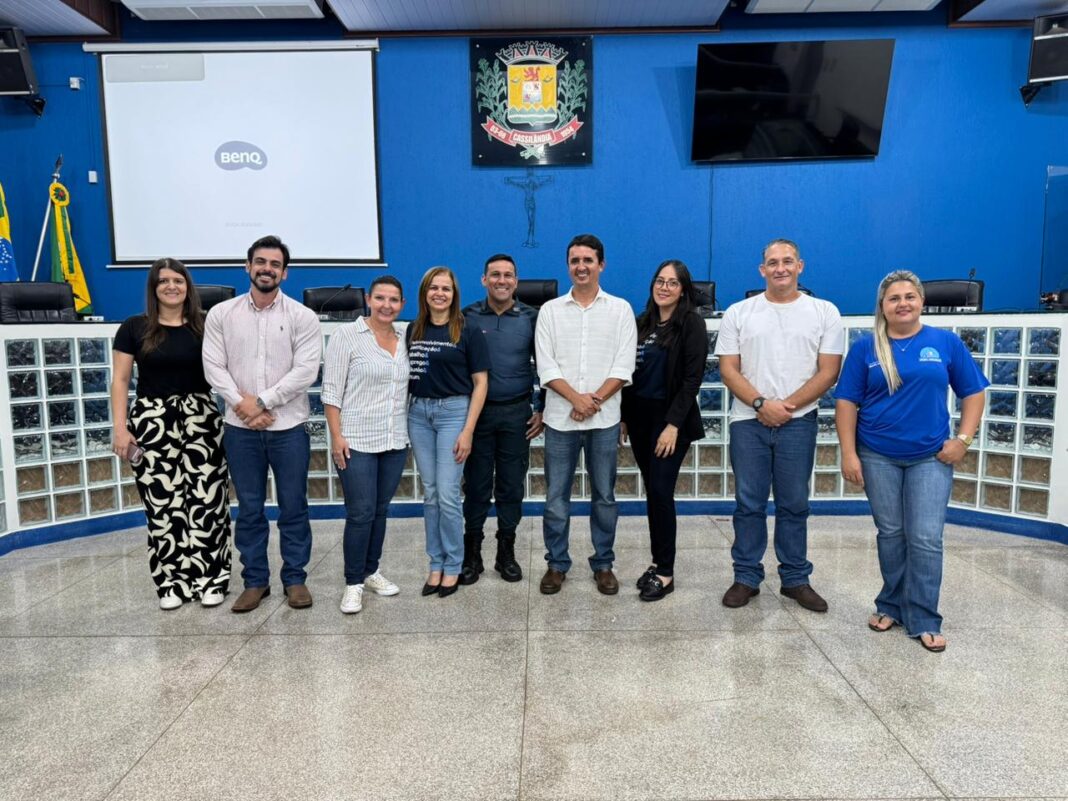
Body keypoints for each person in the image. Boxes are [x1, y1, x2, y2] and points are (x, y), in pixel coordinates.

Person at [835, 270, 988, 653]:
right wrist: (849, 452)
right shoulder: (865, 348)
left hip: (930, 457)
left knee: (925, 537)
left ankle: (923, 616)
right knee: (891, 533)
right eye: (894, 298)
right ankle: (890, 604)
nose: (902, 303)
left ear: (921, 301)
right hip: (877, 455)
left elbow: (973, 392)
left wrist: (963, 440)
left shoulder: (945, 343)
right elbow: (846, 403)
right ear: (882, 306)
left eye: (909, 297)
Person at [715, 238, 844, 612]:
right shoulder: (739, 312)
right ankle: (746, 577)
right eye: (773, 262)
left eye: (788, 261)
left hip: (798, 423)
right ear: (762, 270)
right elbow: (728, 369)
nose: (780, 268)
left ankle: (795, 579)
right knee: (748, 504)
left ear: (800, 266)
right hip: (748, 421)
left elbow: (829, 371)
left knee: (794, 504)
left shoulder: (824, 312)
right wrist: (761, 404)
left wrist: (785, 408)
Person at [202, 235, 321, 613]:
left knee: (293, 507)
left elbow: (306, 371)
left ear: (284, 273)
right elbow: (213, 367)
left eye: (274, 264)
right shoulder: (221, 314)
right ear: (248, 266)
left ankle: (295, 579)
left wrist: (262, 402)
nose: (266, 269)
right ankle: (255, 582)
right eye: (260, 262)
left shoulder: (303, 317)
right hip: (240, 431)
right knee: (250, 508)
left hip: (289, 429)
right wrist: (243, 405)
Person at [111, 258, 231, 611]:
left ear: (187, 287)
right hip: (152, 422)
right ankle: (171, 583)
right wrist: (120, 428)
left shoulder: (207, 326)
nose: (171, 286)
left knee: (209, 502)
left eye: (178, 280)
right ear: (154, 288)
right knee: (163, 504)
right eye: (163, 281)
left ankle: (212, 579)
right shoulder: (134, 327)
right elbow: (120, 380)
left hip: (201, 420)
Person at [534, 233, 637, 596]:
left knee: (604, 496)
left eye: (588, 260)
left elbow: (623, 366)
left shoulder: (620, 309)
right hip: (560, 420)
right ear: (568, 266)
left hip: (603, 421)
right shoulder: (549, 311)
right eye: (575, 260)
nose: (581, 266)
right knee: (555, 498)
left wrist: (591, 401)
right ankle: (556, 564)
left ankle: (603, 564)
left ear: (601, 265)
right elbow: (546, 366)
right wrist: (575, 400)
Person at [620, 260, 708, 601]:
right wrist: (624, 416)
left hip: (670, 421)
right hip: (639, 419)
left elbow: (692, 380)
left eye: (672, 283)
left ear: (683, 290)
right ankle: (658, 562)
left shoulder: (691, 324)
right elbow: (629, 374)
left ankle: (666, 572)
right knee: (653, 492)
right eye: (660, 281)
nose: (664, 287)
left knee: (660, 490)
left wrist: (673, 425)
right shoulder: (642, 323)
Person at [322, 276, 409, 615]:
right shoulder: (347, 336)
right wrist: (336, 436)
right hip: (355, 440)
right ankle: (353, 582)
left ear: (402, 304)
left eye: (394, 300)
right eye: (381, 298)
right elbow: (331, 391)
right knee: (360, 512)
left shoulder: (404, 339)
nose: (387, 305)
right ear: (369, 300)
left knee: (380, 510)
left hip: (393, 438)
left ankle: (371, 571)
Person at [460, 254, 544, 585]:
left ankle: (505, 552)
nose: (502, 280)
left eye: (508, 275)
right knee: (476, 486)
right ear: (484, 280)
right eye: (495, 274)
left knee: (511, 486)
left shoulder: (532, 317)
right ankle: (472, 553)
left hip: (516, 414)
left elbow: (546, 365)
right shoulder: (466, 316)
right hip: (477, 415)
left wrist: (542, 407)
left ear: (516, 281)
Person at [406, 267, 490, 598]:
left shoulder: (467, 330)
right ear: (424, 292)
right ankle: (436, 563)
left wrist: (468, 430)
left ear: (454, 295)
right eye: (434, 288)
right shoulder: (414, 329)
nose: (439, 293)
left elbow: (481, 383)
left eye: (446, 289)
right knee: (430, 493)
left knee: (448, 493)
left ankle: (454, 564)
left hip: (454, 413)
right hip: (418, 415)